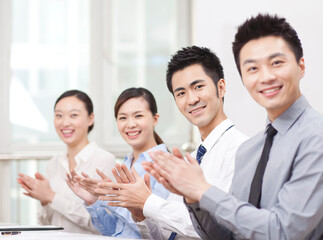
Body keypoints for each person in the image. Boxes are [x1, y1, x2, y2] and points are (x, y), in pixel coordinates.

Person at [146, 14, 323, 240]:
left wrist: (203, 190)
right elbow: (228, 234)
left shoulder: (317, 137)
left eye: (276, 63)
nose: (266, 77)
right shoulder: (249, 151)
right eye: (252, 68)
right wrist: (192, 198)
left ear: (301, 66)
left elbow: (283, 232)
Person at [93, 46, 248, 239]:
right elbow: (166, 235)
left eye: (198, 87)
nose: (191, 99)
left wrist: (148, 202)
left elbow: (221, 227)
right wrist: (141, 214)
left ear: (221, 87)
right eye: (181, 93)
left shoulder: (242, 150)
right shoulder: (190, 160)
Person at [66, 87, 169, 238]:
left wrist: (110, 197)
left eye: (138, 116)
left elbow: (160, 230)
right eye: (122, 118)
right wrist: (93, 201)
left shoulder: (164, 165)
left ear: (155, 119)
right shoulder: (126, 164)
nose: (130, 124)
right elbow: (115, 231)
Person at [17, 90, 116, 234]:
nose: (65, 122)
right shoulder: (54, 163)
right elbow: (45, 224)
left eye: (74, 115)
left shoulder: (104, 160)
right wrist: (44, 200)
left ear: (90, 119)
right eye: (59, 115)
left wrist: (52, 197)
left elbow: (105, 225)